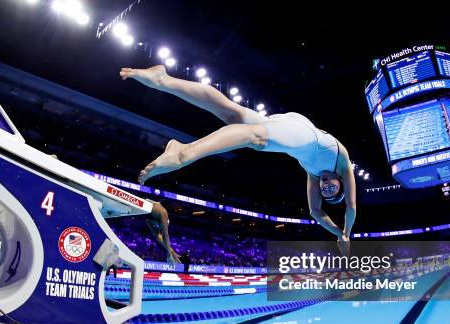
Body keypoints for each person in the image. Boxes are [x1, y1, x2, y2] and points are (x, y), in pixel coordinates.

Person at [119, 65, 356, 254]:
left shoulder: (313, 174)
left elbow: (315, 211)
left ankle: (163, 79)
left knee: (231, 113)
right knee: (256, 139)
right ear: (341, 183)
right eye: (331, 188)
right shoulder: (343, 163)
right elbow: (351, 207)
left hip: (291, 125)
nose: (325, 186)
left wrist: (337, 234)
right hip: (304, 135)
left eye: (324, 191)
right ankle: (184, 152)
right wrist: (347, 230)